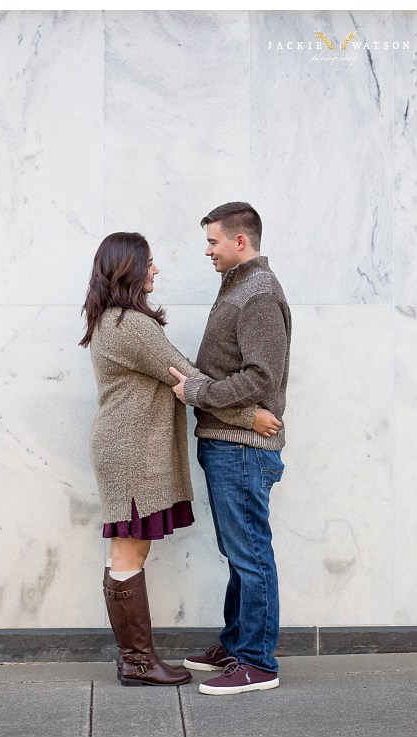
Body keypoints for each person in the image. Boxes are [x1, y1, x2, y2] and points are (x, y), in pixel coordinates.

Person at [80, 232, 282, 687]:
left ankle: (136, 660)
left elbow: (184, 379)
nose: (155, 269)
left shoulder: (115, 321)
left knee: (130, 548)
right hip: (129, 451)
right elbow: (186, 378)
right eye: (149, 263)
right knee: (128, 549)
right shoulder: (129, 325)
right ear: (128, 268)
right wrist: (250, 415)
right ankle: (138, 662)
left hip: (126, 446)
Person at [169, 201, 291, 696]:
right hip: (227, 443)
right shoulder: (239, 288)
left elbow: (260, 377)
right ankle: (237, 644)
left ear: (241, 241)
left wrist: (197, 393)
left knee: (251, 555)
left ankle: (258, 663)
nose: (207, 250)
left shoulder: (258, 295)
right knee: (238, 551)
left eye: (213, 241)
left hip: (242, 448)